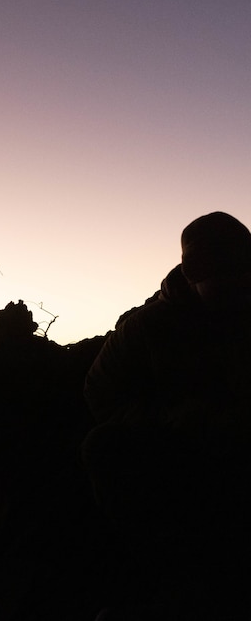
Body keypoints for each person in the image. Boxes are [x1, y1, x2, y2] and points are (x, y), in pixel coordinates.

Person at [82, 212, 251, 612]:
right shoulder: (144, 328)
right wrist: (174, 420)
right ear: (192, 273)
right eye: (222, 274)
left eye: (242, 272)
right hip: (180, 452)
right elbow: (100, 396)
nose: (237, 286)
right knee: (102, 447)